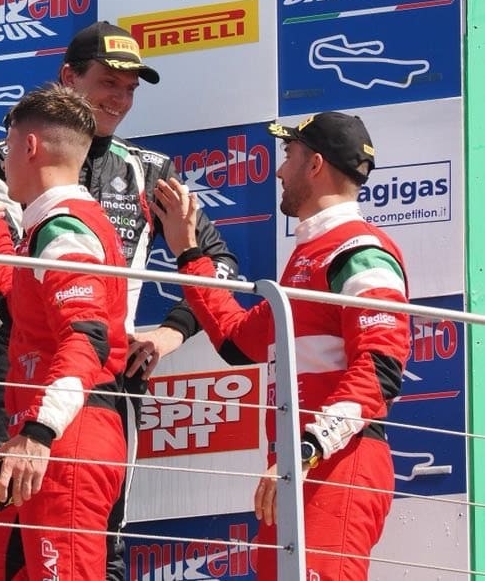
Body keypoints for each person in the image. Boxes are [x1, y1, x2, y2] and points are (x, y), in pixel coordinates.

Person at [0, 21, 239, 579]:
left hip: (103, 371)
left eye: (130, 88)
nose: (120, 99)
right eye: (109, 82)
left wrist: (170, 331)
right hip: (16, 360)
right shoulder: (9, 152)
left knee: (94, 540)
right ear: (69, 77)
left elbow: (218, 264)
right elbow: (5, 281)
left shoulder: (149, 171)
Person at [152, 110, 410, 580]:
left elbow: (381, 369)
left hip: (335, 460)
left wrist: (306, 448)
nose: (277, 170)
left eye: (288, 154)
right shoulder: (309, 256)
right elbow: (237, 341)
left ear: (315, 165)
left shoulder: (357, 250)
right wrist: (190, 254)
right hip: (300, 464)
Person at [0, 83, 129, 580]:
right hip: (45, 434)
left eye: (8, 148)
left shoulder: (65, 228)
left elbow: (87, 335)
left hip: (64, 435)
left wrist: (40, 432)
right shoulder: (50, 226)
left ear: (28, 147)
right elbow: (15, 302)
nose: (4, 162)